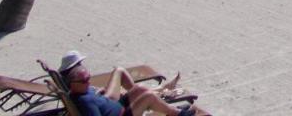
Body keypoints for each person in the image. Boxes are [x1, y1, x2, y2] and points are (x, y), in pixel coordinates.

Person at [58, 51, 211, 116]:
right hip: (122, 114)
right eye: (84, 80)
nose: (88, 81)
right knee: (148, 97)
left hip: (118, 106)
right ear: (73, 83)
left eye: (88, 77)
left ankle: (170, 108)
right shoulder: (85, 101)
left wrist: (99, 94)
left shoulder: (80, 92)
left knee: (140, 88)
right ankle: (178, 114)